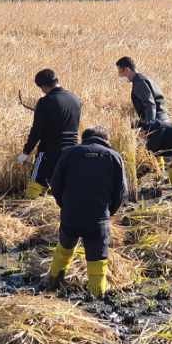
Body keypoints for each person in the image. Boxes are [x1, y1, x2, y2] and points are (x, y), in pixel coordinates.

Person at [46, 127, 127, 298]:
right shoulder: (114, 157)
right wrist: (107, 212)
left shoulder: (69, 153)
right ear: (106, 140)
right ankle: (97, 296)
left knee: (64, 249)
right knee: (97, 261)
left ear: (84, 139)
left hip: (70, 216)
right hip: (98, 219)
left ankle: (52, 283)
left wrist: (65, 206)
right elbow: (121, 193)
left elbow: (55, 185)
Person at [16, 69, 81, 200]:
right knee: (65, 184)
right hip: (72, 150)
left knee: (36, 181)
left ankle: (28, 209)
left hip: (49, 151)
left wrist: (26, 152)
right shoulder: (75, 99)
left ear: (43, 86)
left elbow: (36, 131)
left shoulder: (45, 102)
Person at [115, 56, 169, 124]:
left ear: (127, 70)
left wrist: (150, 125)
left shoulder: (139, 82)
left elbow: (150, 104)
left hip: (158, 122)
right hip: (161, 120)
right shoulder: (142, 79)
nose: (120, 75)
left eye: (120, 72)